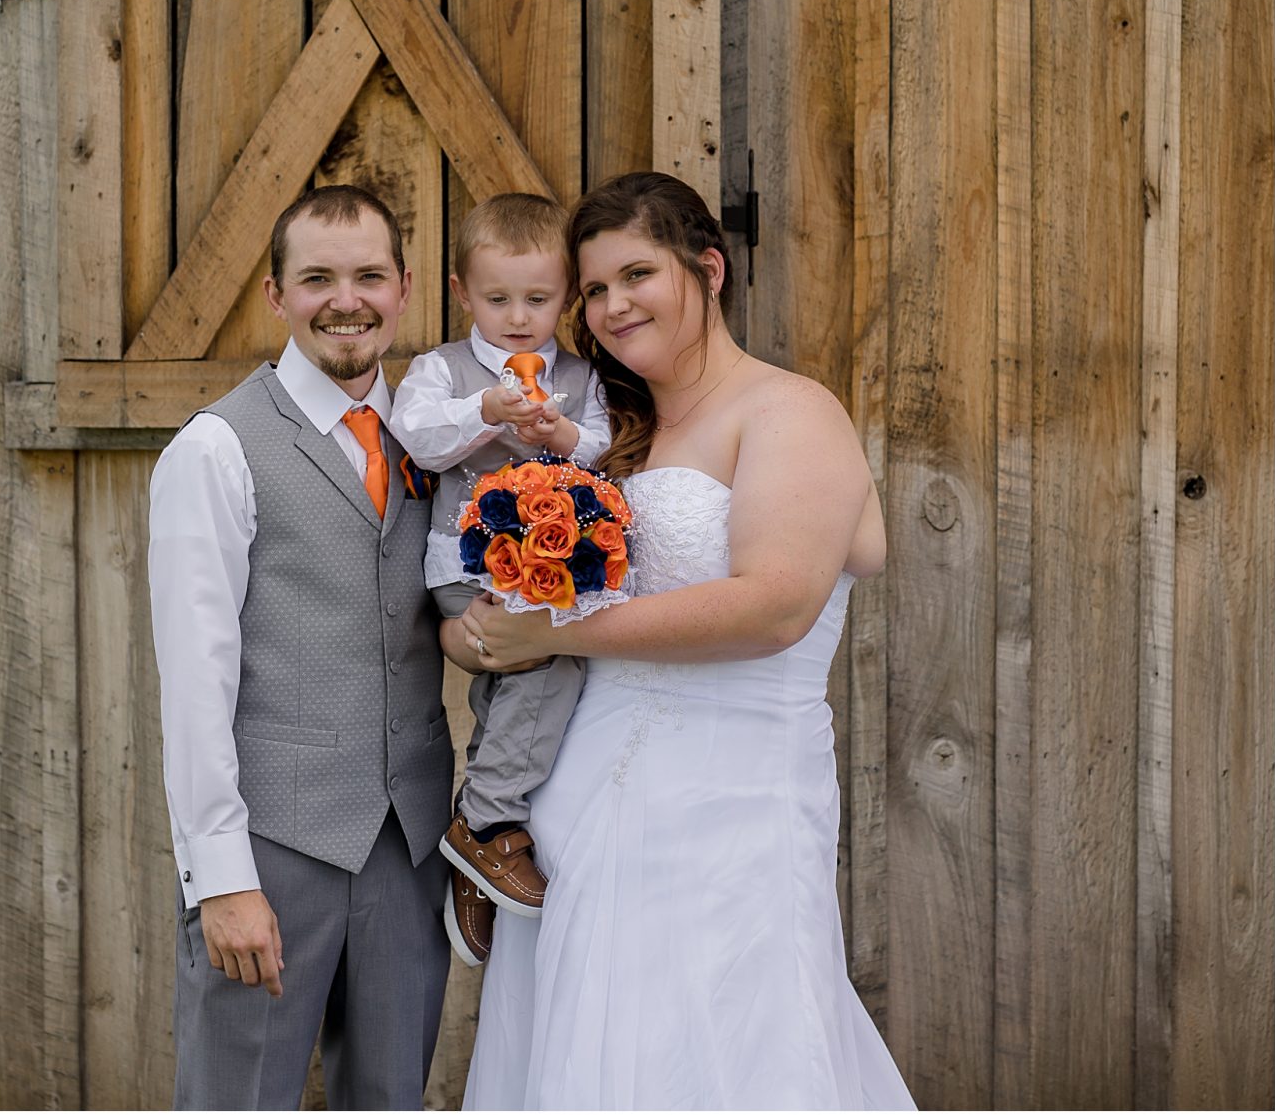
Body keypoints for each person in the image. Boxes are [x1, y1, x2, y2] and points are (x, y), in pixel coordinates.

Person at [454, 171, 916, 1111]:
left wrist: (556, 627)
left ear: (707, 268)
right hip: (580, 803)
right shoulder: (614, 434)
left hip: (730, 796)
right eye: (593, 289)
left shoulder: (790, 410)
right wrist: (485, 632)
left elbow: (774, 606)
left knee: (725, 1043)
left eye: (637, 274)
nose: (613, 304)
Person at [147, 185, 454, 1110]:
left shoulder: (436, 440)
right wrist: (221, 878)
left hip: (409, 842)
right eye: (316, 278)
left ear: (404, 289)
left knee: (392, 1096)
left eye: (367, 275)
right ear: (277, 296)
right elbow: (196, 680)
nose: (345, 299)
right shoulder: (217, 448)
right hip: (273, 847)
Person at [388, 194, 611, 968]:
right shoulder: (439, 371)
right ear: (460, 292)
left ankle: (483, 841)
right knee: (545, 662)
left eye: (538, 299)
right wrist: (484, 409)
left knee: (524, 682)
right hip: (467, 566)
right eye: (497, 298)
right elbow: (415, 435)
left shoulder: (582, 376)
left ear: (567, 296)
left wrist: (566, 436)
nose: (518, 317)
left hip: (555, 570)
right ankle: (485, 822)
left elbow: (609, 449)